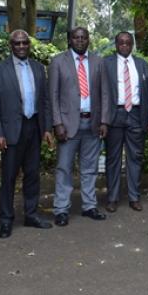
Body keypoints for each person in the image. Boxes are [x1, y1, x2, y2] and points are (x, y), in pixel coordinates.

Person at [0, 30, 54, 238]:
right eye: (17, 43)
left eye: (25, 43)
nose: (21, 47)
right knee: (9, 177)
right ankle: (6, 220)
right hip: (10, 132)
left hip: (33, 128)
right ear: (11, 45)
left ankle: (31, 214)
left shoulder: (38, 68)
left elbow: (44, 101)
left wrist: (46, 129)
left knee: (33, 175)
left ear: (29, 45)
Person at [49, 27, 108, 225]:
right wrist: (57, 123)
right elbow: (53, 95)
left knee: (90, 168)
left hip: (92, 123)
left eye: (84, 37)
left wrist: (104, 121)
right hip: (67, 125)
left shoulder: (98, 61)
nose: (80, 41)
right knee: (64, 168)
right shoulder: (58, 61)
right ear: (70, 40)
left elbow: (105, 94)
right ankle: (61, 209)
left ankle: (89, 206)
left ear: (89, 39)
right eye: (76, 37)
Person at [102, 32, 148, 212]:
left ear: (132, 45)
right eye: (121, 43)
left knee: (135, 157)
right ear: (116, 44)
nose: (124, 46)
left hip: (136, 115)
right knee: (113, 158)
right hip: (114, 114)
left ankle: (134, 197)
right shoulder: (105, 63)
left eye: (127, 43)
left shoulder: (142, 65)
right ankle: (113, 197)